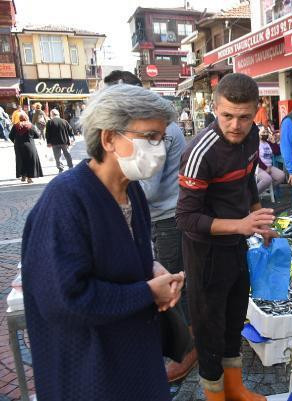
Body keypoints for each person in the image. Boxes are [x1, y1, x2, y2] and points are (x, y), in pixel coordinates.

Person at [21, 83, 185, 401]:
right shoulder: (66, 200)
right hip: (92, 369)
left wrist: (151, 268)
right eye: (150, 137)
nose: (159, 148)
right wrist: (147, 292)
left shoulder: (131, 189)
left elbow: (124, 253)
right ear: (109, 138)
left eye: (162, 138)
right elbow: (64, 299)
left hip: (134, 354)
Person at [176, 73, 276, 401]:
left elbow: (247, 182)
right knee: (209, 332)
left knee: (235, 319)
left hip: (236, 245)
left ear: (256, 112)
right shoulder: (200, 152)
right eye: (227, 116)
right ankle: (215, 396)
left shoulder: (251, 140)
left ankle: (235, 388)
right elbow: (186, 218)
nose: (235, 125)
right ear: (215, 109)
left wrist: (258, 218)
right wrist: (241, 225)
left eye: (244, 117)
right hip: (205, 253)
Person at [104, 69, 197, 381]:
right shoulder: (77, 193)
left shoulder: (157, 128)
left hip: (168, 215)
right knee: (172, 278)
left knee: (174, 285)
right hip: (165, 214)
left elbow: (152, 187)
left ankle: (186, 349)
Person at [9, 114, 43, 183]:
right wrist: (31, 137)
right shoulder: (30, 125)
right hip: (29, 145)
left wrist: (15, 142)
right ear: (27, 118)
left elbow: (10, 136)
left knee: (21, 161)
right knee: (30, 161)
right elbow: (37, 135)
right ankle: (29, 178)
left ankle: (23, 176)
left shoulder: (15, 126)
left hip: (18, 146)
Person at [256, 125, 285, 195]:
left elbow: (277, 152)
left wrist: (273, 142)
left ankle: (267, 189)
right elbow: (256, 158)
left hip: (269, 166)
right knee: (267, 179)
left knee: (281, 176)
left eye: (266, 132)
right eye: (263, 132)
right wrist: (265, 168)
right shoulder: (256, 143)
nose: (265, 133)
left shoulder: (268, 143)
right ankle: (252, 197)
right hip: (259, 167)